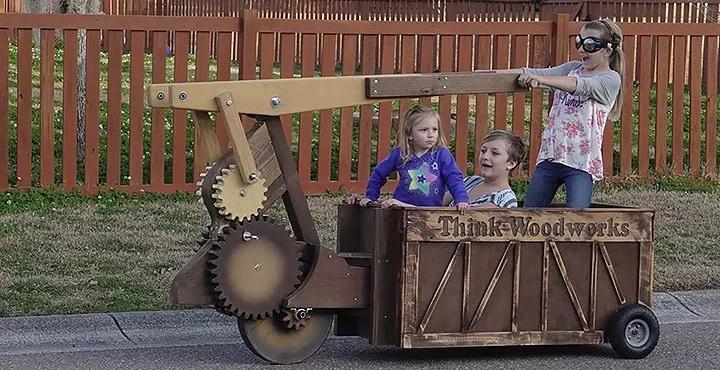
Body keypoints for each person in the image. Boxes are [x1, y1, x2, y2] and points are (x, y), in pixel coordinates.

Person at [497, 18, 625, 208]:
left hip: (581, 163)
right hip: (551, 156)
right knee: (529, 214)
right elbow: (530, 71)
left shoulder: (610, 79)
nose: (581, 49)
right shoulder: (572, 69)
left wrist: (541, 80)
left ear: (608, 50)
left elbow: (580, 86)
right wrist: (493, 74)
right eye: (579, 42)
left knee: (576, 218)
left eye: (589, 45)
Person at [358, 105, 469, 211]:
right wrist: (371, 196)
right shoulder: (401, 153)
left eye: (434, 129)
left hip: (430, 211)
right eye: (424, 130)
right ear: (410, 134)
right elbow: (379, 173)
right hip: (401, 208)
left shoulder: (441, 154)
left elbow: (454, 177)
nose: (431, 134)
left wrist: (461, 199)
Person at [445, 130, 525, 208]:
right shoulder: (471, 181)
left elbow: (475, 218)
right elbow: (438, 203)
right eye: (483, 151)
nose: (485, 156)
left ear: (511, 163)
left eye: (495, 153)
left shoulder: (505, 199)